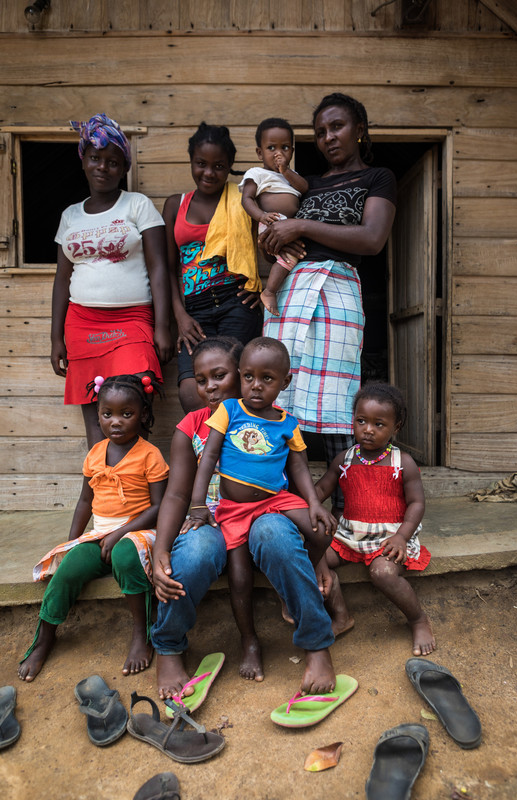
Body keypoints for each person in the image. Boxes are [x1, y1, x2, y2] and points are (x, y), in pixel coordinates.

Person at [151, 338, 337, 700]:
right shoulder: (191, 426)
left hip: (265, 513)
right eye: (201, 381)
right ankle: (169, 647)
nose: (210, 387)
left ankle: (316, 644)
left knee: (278, 539)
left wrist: (314, 557)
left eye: (220, 376)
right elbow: (175, 494)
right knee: (191, 556)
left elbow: (292, 474)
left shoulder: (276, 420)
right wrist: (161, 547)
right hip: (210, 518)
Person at [261, 93, 397, 511]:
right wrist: (274, 238)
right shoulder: (310, 185)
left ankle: (344, 504)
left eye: (336, 127)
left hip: (338, 287)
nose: (328, 138)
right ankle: (277, 502)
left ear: (359, 129)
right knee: (281, 391)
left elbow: (372, 239)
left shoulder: (378, 177)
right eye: (320, 132)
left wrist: (301, 224)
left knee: (339, 399)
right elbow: (278, 229)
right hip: (291, 289)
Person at [18, 375, 169, 682]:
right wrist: (73, 542)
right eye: (107, 414)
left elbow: (159, 507)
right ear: (98, 414)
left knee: (126, 556)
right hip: (101, 533)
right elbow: (85, 500)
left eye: (127, 414)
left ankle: (141, 634)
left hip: (141, 531)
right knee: (70, 566)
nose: (116, 421)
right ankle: (45, 637)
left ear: (143, 415)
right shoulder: (95, 453)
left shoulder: (149, 455)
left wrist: (120, 533)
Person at [51, 113, 173, 448]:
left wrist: (162, 326)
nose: (103, 167)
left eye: (112, 162)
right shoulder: (70, 215)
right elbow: (62, 280)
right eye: (95, 158)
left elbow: (159, 267)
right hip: (82, 325)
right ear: (83, 162)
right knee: (97, 420)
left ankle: (137, 489)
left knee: (135, 408)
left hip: (132, 321)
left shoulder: (138, 206)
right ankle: (101, 496)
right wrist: (55, 338)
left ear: (124, 168)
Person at [315, 382, 435, 656]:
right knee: (311, 558)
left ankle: (417, 619)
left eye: (379, 424)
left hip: (389, 537)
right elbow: (321, 490)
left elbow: (417, 503)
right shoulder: (344, 459)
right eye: (361, 421)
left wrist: (402, 536)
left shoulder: (402, 462)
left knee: (382, 573)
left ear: (396, 427)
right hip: (350, 536)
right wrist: (300, 502)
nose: (368, 429)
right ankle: (341, 615)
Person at [163, 123, 264, 414]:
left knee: (233, 388)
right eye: (201, 164)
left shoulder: (243, 200)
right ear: (191, 161)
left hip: (236, 303)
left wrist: (264, 289)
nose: (209, 172)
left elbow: (268, 239)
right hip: (194, 312)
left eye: (219, 166)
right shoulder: (175, 206)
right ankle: (205, 457)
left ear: (230, 166)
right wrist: (180, 315)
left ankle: (233, 457)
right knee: (191, 392)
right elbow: (170, 269)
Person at [239, 118, 309, 316]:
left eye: (285, 147)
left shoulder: (291, 175)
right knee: (289, 258)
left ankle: (277, 290)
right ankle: (269, 291)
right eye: (271, 148)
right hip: (271, 222)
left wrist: (286, 171)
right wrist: (261, 216)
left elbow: (304, 188)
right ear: (260, 153)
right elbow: (247, 199)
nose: (278, 153)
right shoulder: (257, 173)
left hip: (290, 226)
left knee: (294, 255)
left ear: (292, 152)